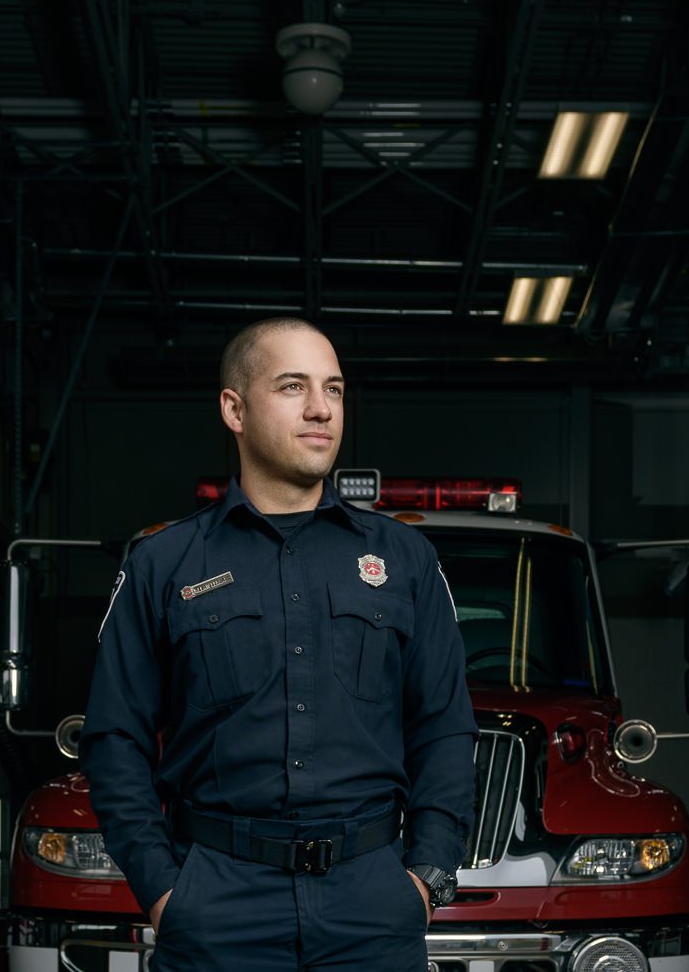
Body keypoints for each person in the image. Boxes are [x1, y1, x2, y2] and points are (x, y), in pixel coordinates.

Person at [81, 317, 478, 970]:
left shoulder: (404, 558)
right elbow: (113, 737)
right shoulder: (163, 563)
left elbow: (443, 726)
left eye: (334, 389)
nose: (321, 407)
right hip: (216, 904)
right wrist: (163, 890)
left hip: (371, 905)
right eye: (293, 386)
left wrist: (425, 878)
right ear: (234, 409)